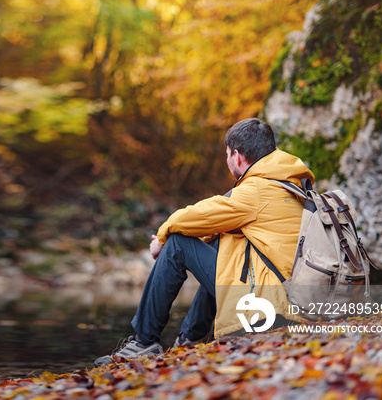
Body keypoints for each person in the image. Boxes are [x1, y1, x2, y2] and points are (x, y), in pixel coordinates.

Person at [94, 118, 314, 366]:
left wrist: (163, 237)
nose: (228, 160)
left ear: (237, 157)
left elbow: (201, 213)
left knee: (177, 243)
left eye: (227, 154)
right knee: (224, 244)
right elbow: (215, 224)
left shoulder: (256, 190)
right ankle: (190, 340)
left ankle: (143, 342)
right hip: (290, 304)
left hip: (270, 310)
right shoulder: (288, 184)